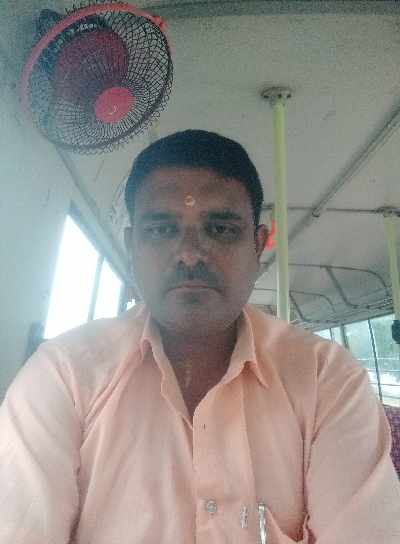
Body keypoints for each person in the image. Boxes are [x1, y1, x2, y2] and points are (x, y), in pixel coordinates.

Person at [1, 130, 399, 544]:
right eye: (161, 229)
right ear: (132, 246)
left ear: (257, 246)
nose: (190, 253)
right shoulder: (63, 375)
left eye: (221, 229)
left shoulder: (326, 379)